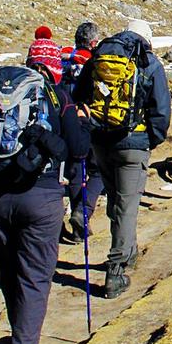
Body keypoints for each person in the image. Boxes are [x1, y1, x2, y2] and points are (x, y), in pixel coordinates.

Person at [0, 34, 89, 344]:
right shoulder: (59, 96)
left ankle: (20, 331)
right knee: (36, 274)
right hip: (40, 195)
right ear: (56, 66)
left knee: (8, 270)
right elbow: (79, 149)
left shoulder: (0, 93)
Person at [74, 19, 171, 299]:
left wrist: (91, 130)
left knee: (115, 199)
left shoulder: (99, 57)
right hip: (134, 144)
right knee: (127, 204)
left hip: (101, 142)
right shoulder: (149, 63)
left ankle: (127, 252)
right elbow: (161, 110)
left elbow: (79, 96)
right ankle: (115, 272)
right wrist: (151, 139)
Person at [61, 21, 102, 245]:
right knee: (97, 171)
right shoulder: (93, 62)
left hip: (64, 123)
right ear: (93, 42)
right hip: (88, 119)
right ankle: (82, 213)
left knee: (76, 170)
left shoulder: (63, 59)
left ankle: (78, 227)